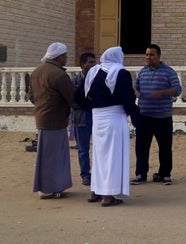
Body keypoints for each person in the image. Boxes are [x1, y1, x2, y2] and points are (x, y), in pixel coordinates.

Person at [79, 47, 138, 207]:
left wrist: (94, 107)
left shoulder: (93, 72)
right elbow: (128, 99)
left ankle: (95, 191)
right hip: (114, 117)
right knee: (113, 156)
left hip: (97, 118)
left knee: (99, 156)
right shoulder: (121, 72)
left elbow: (80, 95)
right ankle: (107, 196)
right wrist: (135, 115)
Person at [29, 42, 75, 199]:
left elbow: (31, 97)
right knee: (54, 157)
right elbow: (71, 97)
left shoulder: (37, 71)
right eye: (65, 55)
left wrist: (42, 107)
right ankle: (52, 188)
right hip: (55, 120)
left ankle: (47, 187)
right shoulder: (59, 74)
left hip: (42, 118)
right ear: (59, 56)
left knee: (46, 155)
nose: (66, 58)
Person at [131, 44, 182, 185]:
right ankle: (141, 174)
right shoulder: (142, 72)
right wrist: (135, 93)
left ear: (159, 56)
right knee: (141, 147)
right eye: (147, 54)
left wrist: (161, 93)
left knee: (165, 147)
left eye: (151, 55)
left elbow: (177, 90)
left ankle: (165, 174)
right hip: (144, 117)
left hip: (162, 117)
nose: (148, 57)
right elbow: (137, 88)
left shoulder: (168, 72)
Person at [71, 52, 97, 186]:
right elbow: (72, 100)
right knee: (83, 148)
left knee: (100, 147)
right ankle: (86, 175)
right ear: (82, 64)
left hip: (98, 117)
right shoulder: (75, 81)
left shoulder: (99, 79)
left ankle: (99, 174)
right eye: (90, 62)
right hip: (81, 117)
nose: (93, 65)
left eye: (94, 62)